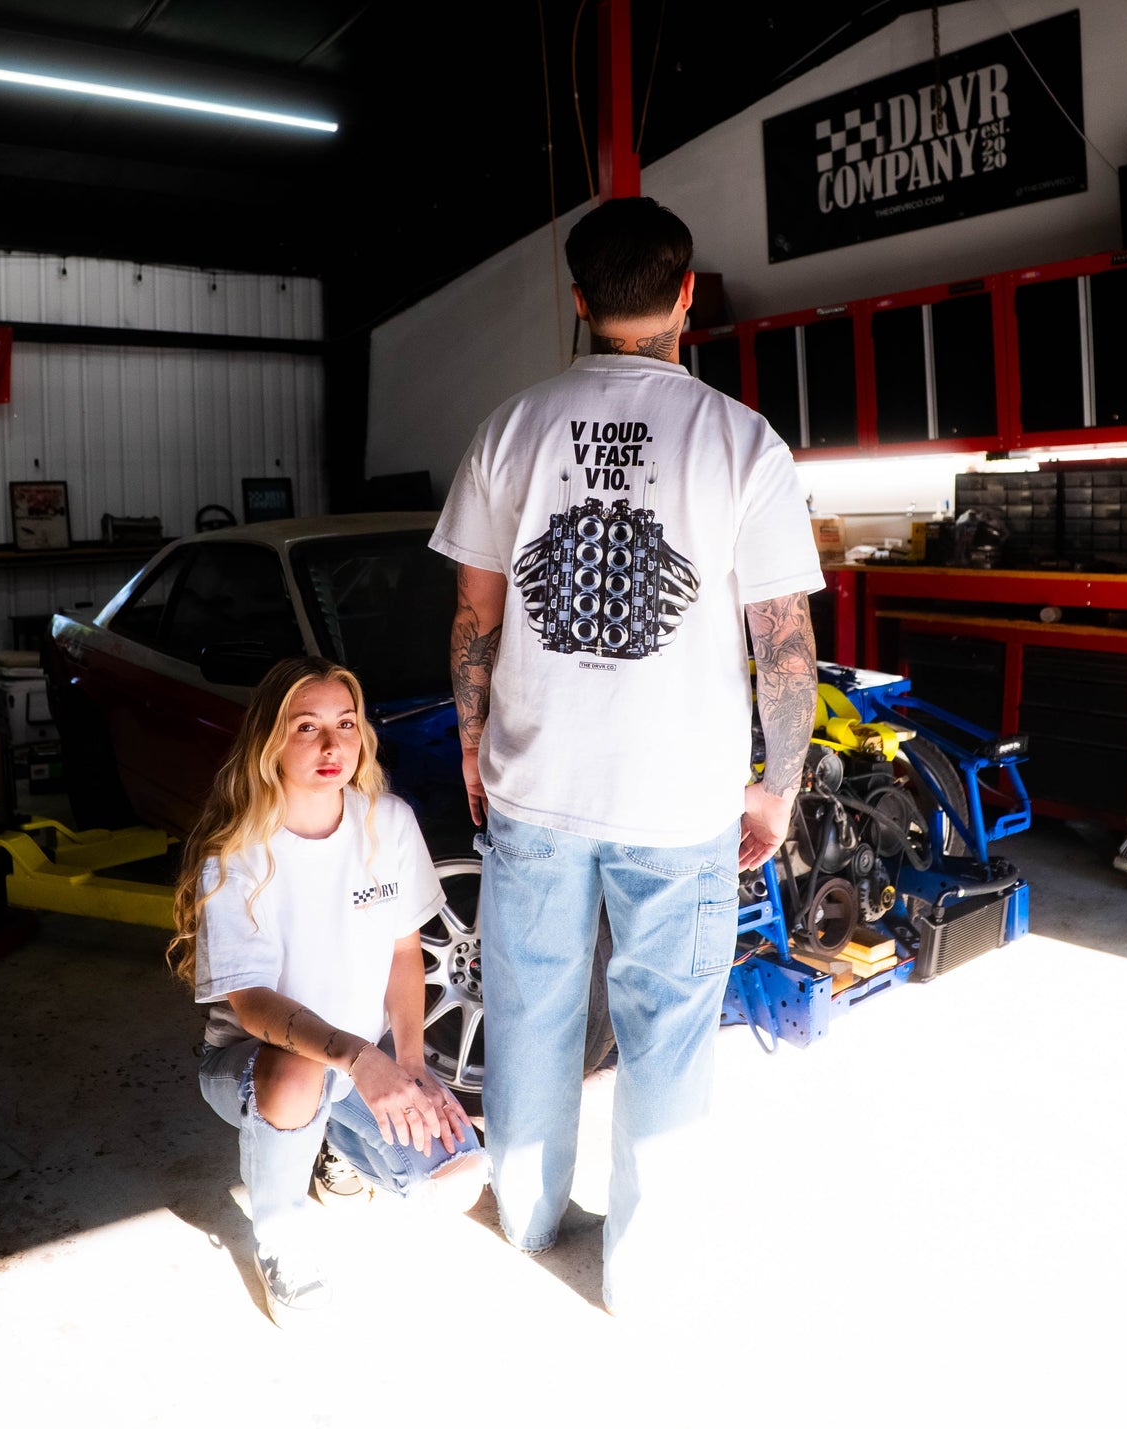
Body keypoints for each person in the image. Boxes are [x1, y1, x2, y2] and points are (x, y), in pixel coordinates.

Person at [429, 195, 822, 1316]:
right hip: (680, 802)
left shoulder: (511, 426)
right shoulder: (741, 440)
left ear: (578, 300)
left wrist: (471, 742)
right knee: (666, 1038)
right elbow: (782, 642)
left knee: (531, 1011)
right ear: (686, 293)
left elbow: (473, 616)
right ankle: (639, 1277)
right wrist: (778, 786)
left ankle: (525, 1217)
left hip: (533, 784)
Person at [168, 655, 487, 1328]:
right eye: (306, 726)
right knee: (300, 1072)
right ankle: (280, 1239)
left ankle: (331, 1143)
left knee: (459, 1180)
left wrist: (409, 1062)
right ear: (270, 741)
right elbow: (253, 1004)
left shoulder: (387, 821)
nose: (331, 744)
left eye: (345, 723)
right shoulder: (237, 851)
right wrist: (361, 1060)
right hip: (262, 1065)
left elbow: (403, 950)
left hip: (363, 1056)